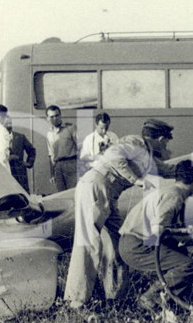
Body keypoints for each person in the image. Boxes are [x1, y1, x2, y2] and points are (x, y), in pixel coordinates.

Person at [63, 118, 176, 308]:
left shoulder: (146, 153)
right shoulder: (134, 142)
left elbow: (165, 169)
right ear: (160, 138)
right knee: (89, 242)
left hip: (108, 194)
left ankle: (115, 297)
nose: (166, 145)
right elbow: (115, 157)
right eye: (166, 141)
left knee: (118, 244)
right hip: (95, 187)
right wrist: (136, 180)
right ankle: (77, 301)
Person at [119, 159, 193, 317]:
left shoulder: (169, 190)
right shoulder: (174, 196)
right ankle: (151, 299)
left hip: (131, 241)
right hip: (137, 246)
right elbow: (157, 229)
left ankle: (169, 304)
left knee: (182, 255)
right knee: (188, 266)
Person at [45, 105, 79, 192]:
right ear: (47, 118)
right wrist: (52, 173)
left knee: (73, 192)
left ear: (60, 115)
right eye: (52, 117)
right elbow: (51, 155)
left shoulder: (70, 128)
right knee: (61, 194)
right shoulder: (49, 134)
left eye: (57, 115)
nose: (55, 118)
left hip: (71, 163)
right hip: (58, 167)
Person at [79, 111, 119, 176]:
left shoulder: (113, 136)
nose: (104, 131)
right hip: (95, 171)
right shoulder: (89, 139)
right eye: (101, 128)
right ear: (96, 125)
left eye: (106, 128)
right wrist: (96, 157)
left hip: (112, 171)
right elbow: (83, 157)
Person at [8, 128, 37, 193]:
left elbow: (32, 151)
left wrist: (29, 163)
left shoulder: (20, 137)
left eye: (9, 122)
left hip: (20, 173)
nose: (8, 125)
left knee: (23, 195)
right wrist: (8, 158)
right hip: (6, 172)